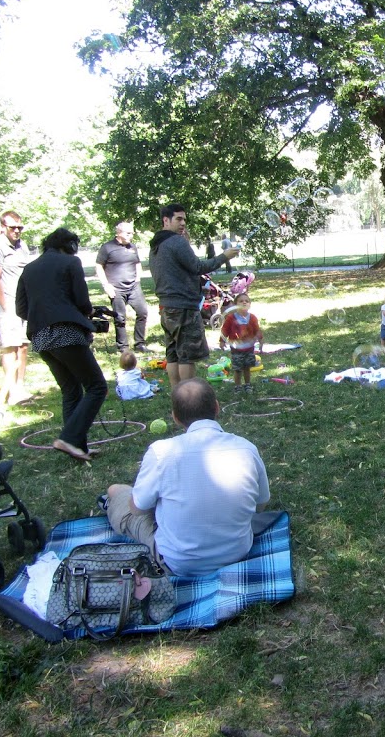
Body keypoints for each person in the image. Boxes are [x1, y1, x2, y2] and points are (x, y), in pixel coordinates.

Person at [104, 378, 270, 577]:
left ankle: (110, 502)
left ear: (175, 417)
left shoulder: (161, 452)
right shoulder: (246, 448)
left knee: (116, 491)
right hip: (237, 553)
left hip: (178, 562)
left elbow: (138, 509)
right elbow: (261, 505)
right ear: (217, 408)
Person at [15, 228, 108, 462]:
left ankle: (77, 447)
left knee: (71, 390)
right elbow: (82, 301)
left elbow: (21, 309)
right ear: (70, 245)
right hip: (66, 332)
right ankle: (69, 438)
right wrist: (87, 312)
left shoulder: (29, 269)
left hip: (40, 336)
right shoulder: (71, 262)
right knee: (96, 386)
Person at [149, 203, 240, 389]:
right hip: (183, 308)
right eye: (179, 219)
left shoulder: (157, 244)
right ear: (166, 220)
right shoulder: (176, 241)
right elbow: (198, 267)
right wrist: (225, 256)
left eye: (184, 219)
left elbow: (177, 271)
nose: (183, 223)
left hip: (166, 308)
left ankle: (178, 397)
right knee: (187, 355)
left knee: (173, 354)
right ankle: (188, 398)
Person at [0, 210, 32, 406]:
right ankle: (11, 391)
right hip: (7, 304)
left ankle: (20, 386)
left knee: (23, 346)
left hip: (22, 302)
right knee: (10, 347)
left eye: (20, 227)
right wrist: (6, 307)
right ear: (3, 227)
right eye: (13, 228)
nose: (17, 231)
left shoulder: (22, 246)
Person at [95, 220, 151, 354]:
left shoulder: (133, 247)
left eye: (132, 233)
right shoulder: (107, 247)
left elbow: (137, 263)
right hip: (116, 288)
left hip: (133, 287)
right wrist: (106, 285)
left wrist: (138, 278)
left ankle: (140, 344)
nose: (131, 235)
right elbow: (99, 266)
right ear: (118, 233)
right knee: (120, 317)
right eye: (128, 233)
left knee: (142, 312)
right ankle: (123, 347)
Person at [219, 293, 263, 394]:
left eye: (246, 301)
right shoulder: (231, 318)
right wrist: (222, 341)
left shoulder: (252, 318)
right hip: (236, 348)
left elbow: (257, 330)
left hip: (249, 348)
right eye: (241, 301)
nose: (244, 302)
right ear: (235, 305)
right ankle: (238, 386)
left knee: (247, 367)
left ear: (249, 304)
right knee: (238, 369)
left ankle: (247, 384)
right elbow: (225, 329)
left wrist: (260, 340)